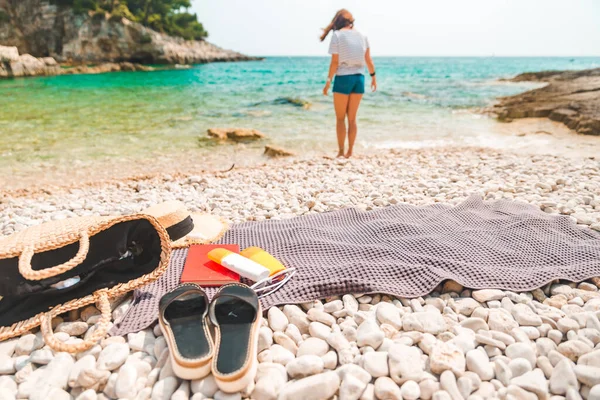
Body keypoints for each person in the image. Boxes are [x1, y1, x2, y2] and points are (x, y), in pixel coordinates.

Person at [321, 9, 376, 158]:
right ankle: (350, 151)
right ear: (351, 21)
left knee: (340, 118)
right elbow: (368, 60)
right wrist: (373, 76)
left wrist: (328, 81)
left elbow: (334, 62)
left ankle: (340, 152)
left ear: (338, 21)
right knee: (352, 118)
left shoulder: (337, 36)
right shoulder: (363, 36)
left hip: (343, 79)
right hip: (359, 78)